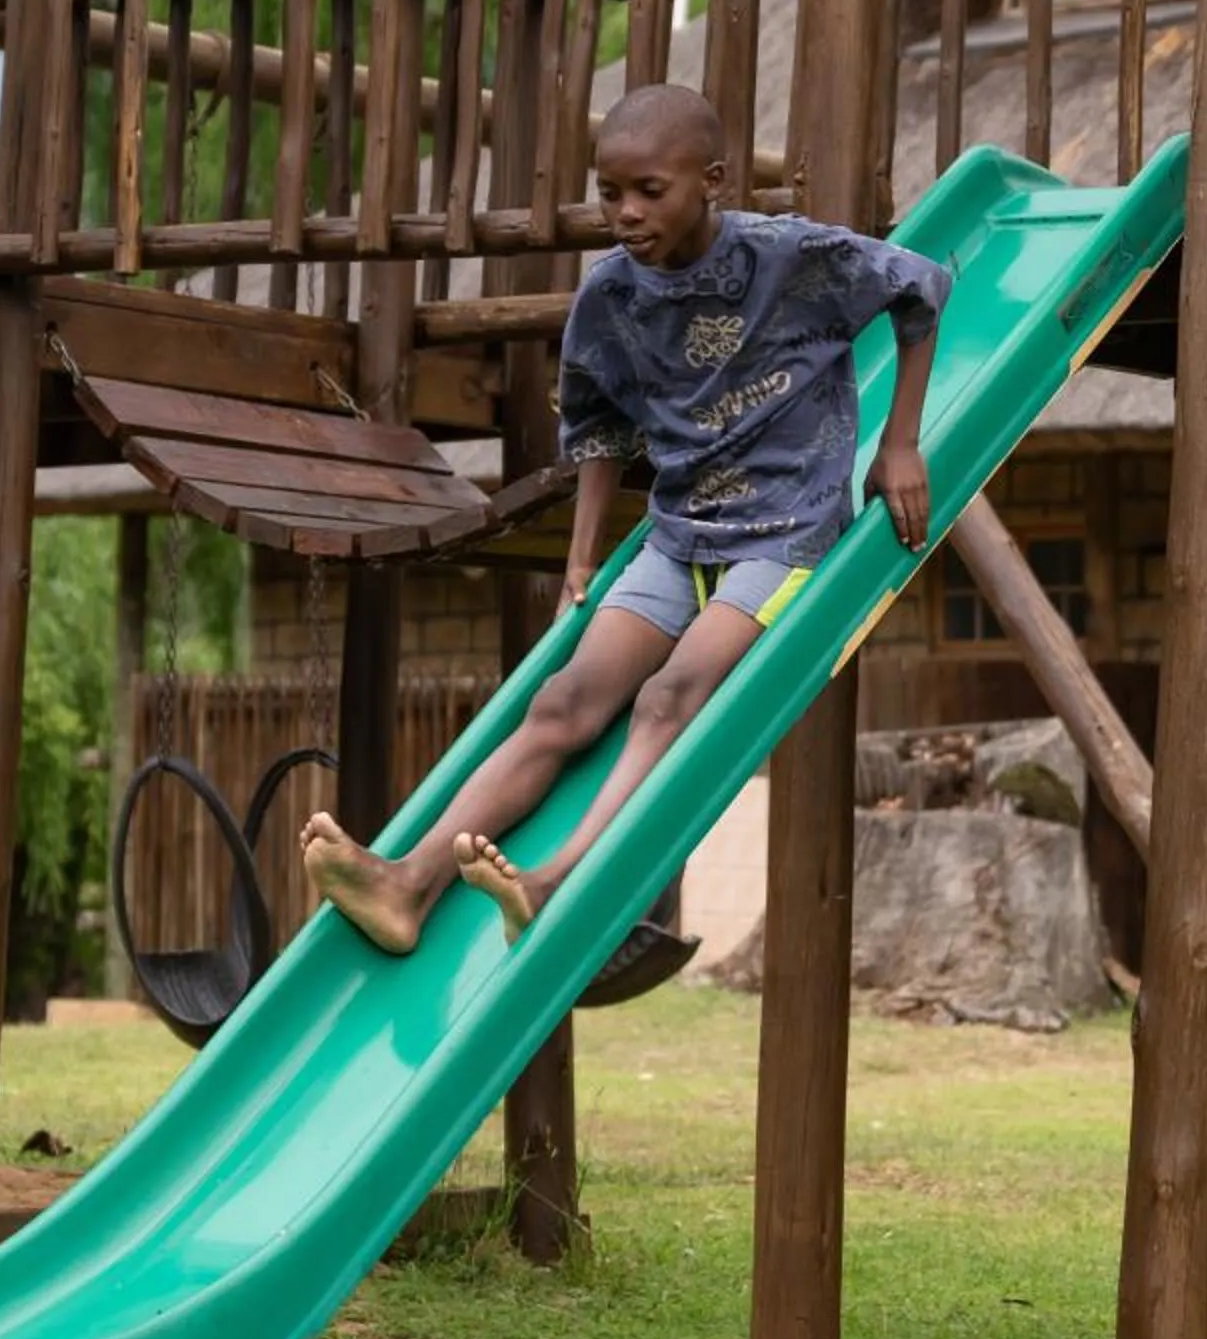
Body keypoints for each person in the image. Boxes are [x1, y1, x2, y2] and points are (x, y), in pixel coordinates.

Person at [300, 80, 951, 952]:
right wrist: (581, 555)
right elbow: (598, 428)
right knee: (563, 701)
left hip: (788, 535)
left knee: (670, 694)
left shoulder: (791, 257)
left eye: (652, 190)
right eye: (611, 192)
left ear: (712, 180)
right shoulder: (609, 298)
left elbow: (920, 287)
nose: (626, 212)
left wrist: (899, 444)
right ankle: (406, 887)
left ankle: (558, 879)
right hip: (679, 535)